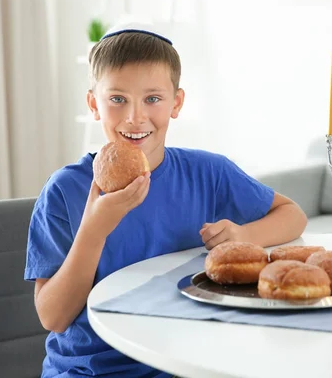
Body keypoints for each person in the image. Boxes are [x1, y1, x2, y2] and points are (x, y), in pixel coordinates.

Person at [24, 22, 308, 378]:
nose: (135, 117)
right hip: (94, 371)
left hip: (186, 363)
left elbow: (292, 214)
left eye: (152, 99)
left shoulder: (208, 172)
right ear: (93, 104)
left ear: (176, 103)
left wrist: (243, 237)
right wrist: (94, 230)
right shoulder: (65, 190)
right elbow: (53, 316)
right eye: (117, 99)